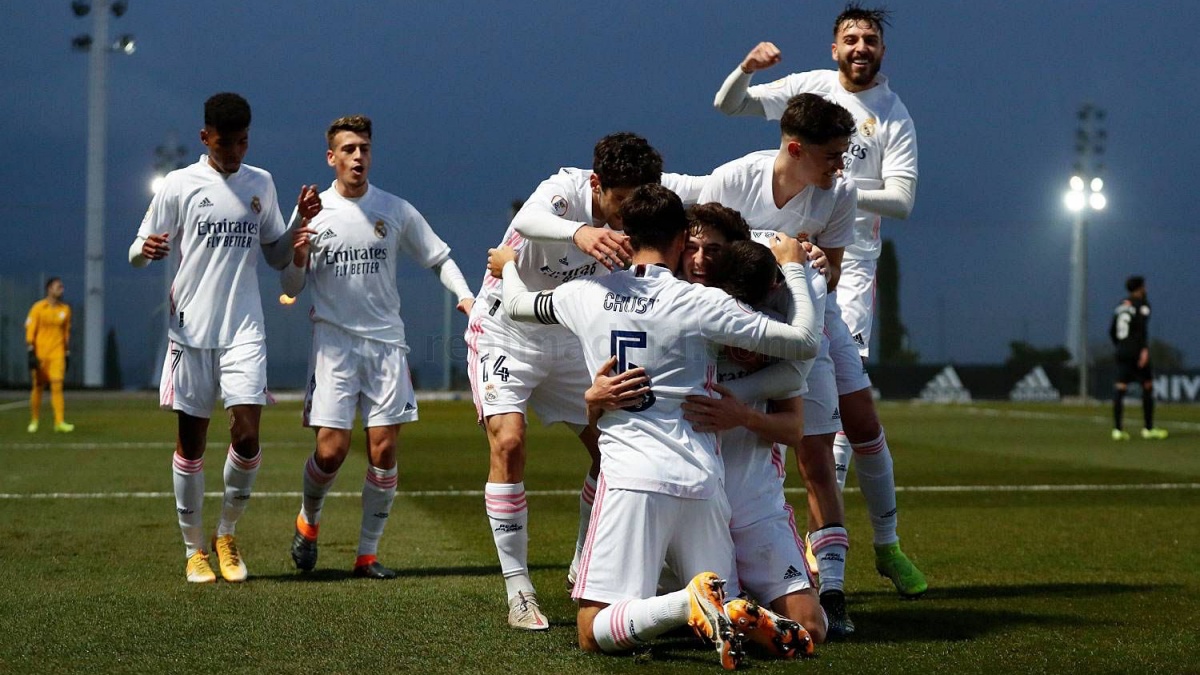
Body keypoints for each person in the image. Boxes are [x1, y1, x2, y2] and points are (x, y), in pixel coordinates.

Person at [496, 184, 820, 669]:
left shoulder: (585, 294)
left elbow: (521, 307)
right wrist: (796, 267)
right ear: (678, 241)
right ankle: (709, 606)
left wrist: (507, 270)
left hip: (634, 480)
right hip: (702, 482)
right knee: (723, 615)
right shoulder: (700, 303)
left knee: (592, 630)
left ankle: (683, 603)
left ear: (625, 235)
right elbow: (804, 341)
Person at [716, 5, 930, 604]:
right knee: (820, 424)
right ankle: (821, 573)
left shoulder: (894, 116)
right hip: (775, 273)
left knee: (851, 422)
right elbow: (731, 104)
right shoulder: (804, 91)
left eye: (872, 40)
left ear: (882, 51)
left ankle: (884, 546)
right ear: (834, 47)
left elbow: (904, 201)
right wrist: (746, 67)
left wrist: (831, 183)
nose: (862, 47)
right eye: (852, 38)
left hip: (846, 272)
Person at [466, 132, 704, 629]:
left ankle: (583, 562)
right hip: (506, 331)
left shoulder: (642, 203)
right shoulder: (565, 190)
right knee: (509, 442)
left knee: (609, 449)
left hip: (568, 334)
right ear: (597, 184)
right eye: (619, 203)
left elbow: (714, 188)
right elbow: (525, 221)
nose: (626, 216)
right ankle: (520, 590)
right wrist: (579, 233)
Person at [128, 92, 322, 584]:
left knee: (248, 435)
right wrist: (144, 251)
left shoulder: (262, 184)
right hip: (191, 330)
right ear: (205, 137)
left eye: (242, 141)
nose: (235, 151)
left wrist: (301, 222)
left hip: (243, 328)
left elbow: (277, 256)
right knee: (191, 445)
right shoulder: (179, 184)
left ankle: (226, 534)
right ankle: (194, 549)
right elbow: (136, 247)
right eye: (225, 141)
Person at [700, 92, 868, 636]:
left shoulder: (839, 192)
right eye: (831, 155)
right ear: (795, 147)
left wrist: (817, 263)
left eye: (843, 155)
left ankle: (835, 592)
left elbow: (835, 273)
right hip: (730, 332)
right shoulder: (731, 179)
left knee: (817, 452)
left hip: (802, 322)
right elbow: (698, 249)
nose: (840, 166)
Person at [281, 115, 475, 579]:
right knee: (330, 451)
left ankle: (366, 554)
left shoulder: (394, 208)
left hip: (387, 346)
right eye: (348, 149)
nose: (357, 157)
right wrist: (299, 250)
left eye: (364, 148)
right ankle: (309, 520)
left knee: (383, 450)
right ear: (331, 157)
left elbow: (438, 256)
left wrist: (466, 296)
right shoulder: (313, 213)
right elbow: (290, 284)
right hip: (333, 345)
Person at [1109, 276, 1168, 441]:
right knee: (1147, 386)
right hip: (1136, 350)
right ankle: (1148, 428)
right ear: (1140, 288)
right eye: (1144, 286)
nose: (1146, 289)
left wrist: (1120, 346)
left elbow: (1112, 331)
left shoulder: (1121, 305)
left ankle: (1117, 430)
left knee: (1120, 387)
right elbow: (1141, 329)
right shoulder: (1141, 305)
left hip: (1121, 349)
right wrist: (1143, 350)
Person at [25, 277, 73, 433]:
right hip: (40, 354)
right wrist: (31, 351)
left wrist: (67, 352)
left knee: (57, 385)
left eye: (62, 287)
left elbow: (66, 333)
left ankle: (59, 422)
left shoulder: (65, 310)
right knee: (38, 387)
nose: (62, 289)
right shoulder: (38, 308)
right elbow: (31, 329)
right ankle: (34, 420)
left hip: (57, 354)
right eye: (58, 286)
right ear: (49, 289)